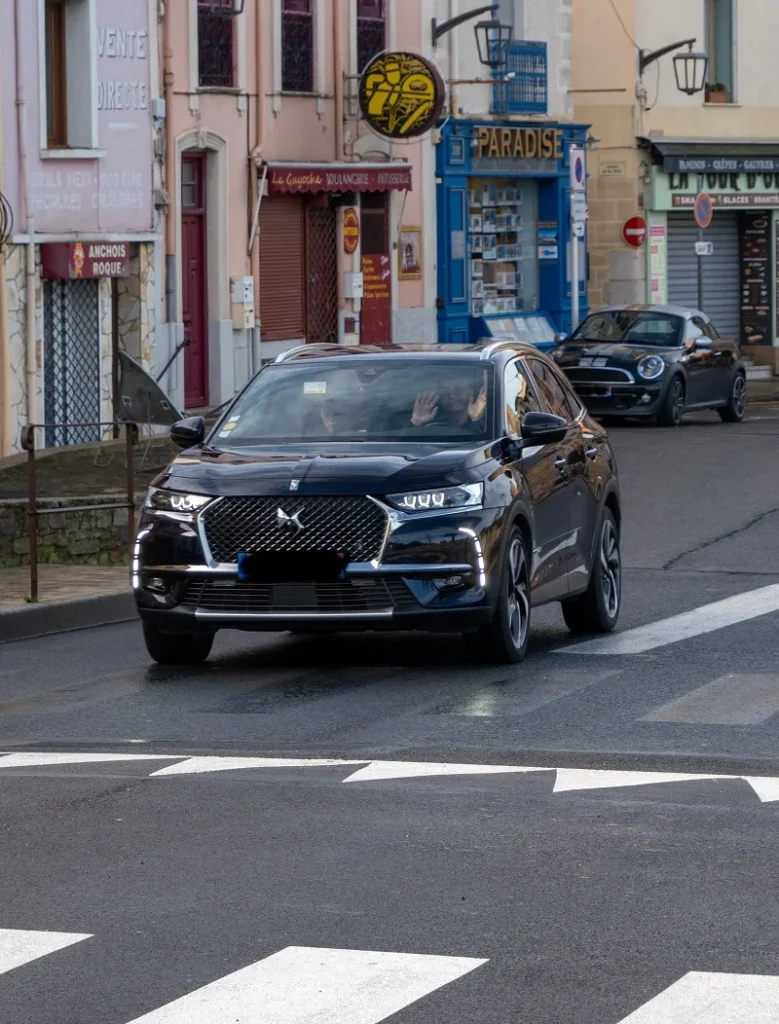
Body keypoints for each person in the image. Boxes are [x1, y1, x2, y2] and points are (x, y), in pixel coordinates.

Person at [408, 370, 487, 432]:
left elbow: (479, 445)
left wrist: (475, 419)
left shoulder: (490, 424)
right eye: (445, 391)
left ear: (471, 393)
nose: (451, 395)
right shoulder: (434, 426)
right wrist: (416, 422)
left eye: (458, 390)